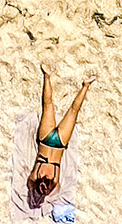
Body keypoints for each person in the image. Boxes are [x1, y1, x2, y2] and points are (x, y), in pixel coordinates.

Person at [30, 63, 94, 203]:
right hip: (45, 140)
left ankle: (86, 85)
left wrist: (42, 194)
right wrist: (36, 192)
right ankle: (47, 76)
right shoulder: (35, 176)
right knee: (48, 106)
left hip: (60, 143)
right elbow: (31, 185)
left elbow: (50, 189)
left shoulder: (55, 179)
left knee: (73, 111)